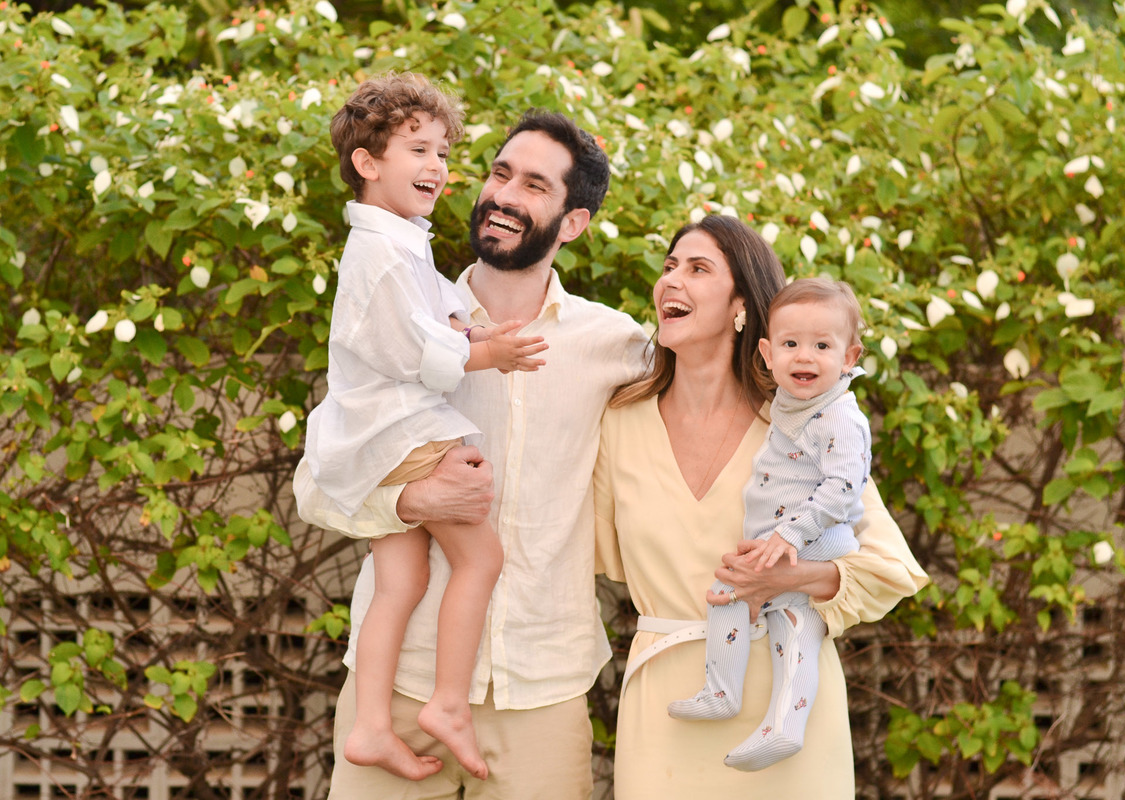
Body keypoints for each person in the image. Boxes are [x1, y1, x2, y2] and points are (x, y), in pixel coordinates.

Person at [293, 109, 649, 799]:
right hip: (400, 681)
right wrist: (412, 500)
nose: (505, 195)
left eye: (534, 185)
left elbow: (707, 406)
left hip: (541, 685)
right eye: (499, 173)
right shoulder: (406, 311)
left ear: (573, 223)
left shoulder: (614, 344)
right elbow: (316, 481)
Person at [594, 215, 928, 797]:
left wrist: (787, 578)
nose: (672, 279)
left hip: (789, 710)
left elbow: (888, 570)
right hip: (666, 710)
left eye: (698, 268)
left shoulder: (803, 419)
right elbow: (581, 553)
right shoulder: (619, 421)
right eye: (669, 266)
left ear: (742, 307)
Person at [306, 72, 550, 782]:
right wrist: (488, 352)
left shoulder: (399, 241)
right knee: (481, 560)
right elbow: (416, 352)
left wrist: (467, 328)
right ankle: (448, 701)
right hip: (405, 431)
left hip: (379, 436)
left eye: (443, 152)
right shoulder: (381, 253)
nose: (438, 167)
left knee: (402, 579)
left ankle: (371, 726)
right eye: (419, 150)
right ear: (367, 162)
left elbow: (430, 318)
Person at [667, 277, 871, 772]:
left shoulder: (839, 415)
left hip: (814, 539)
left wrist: (788, 535)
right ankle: (773, 721)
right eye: (791, 344)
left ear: (849, 357)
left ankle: (732, 697)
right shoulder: (794, 403)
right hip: (789, 537)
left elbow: (845, 488)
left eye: (822, 346)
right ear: (767, 352)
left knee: (738, 594)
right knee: (788, 621)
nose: (805, 357)